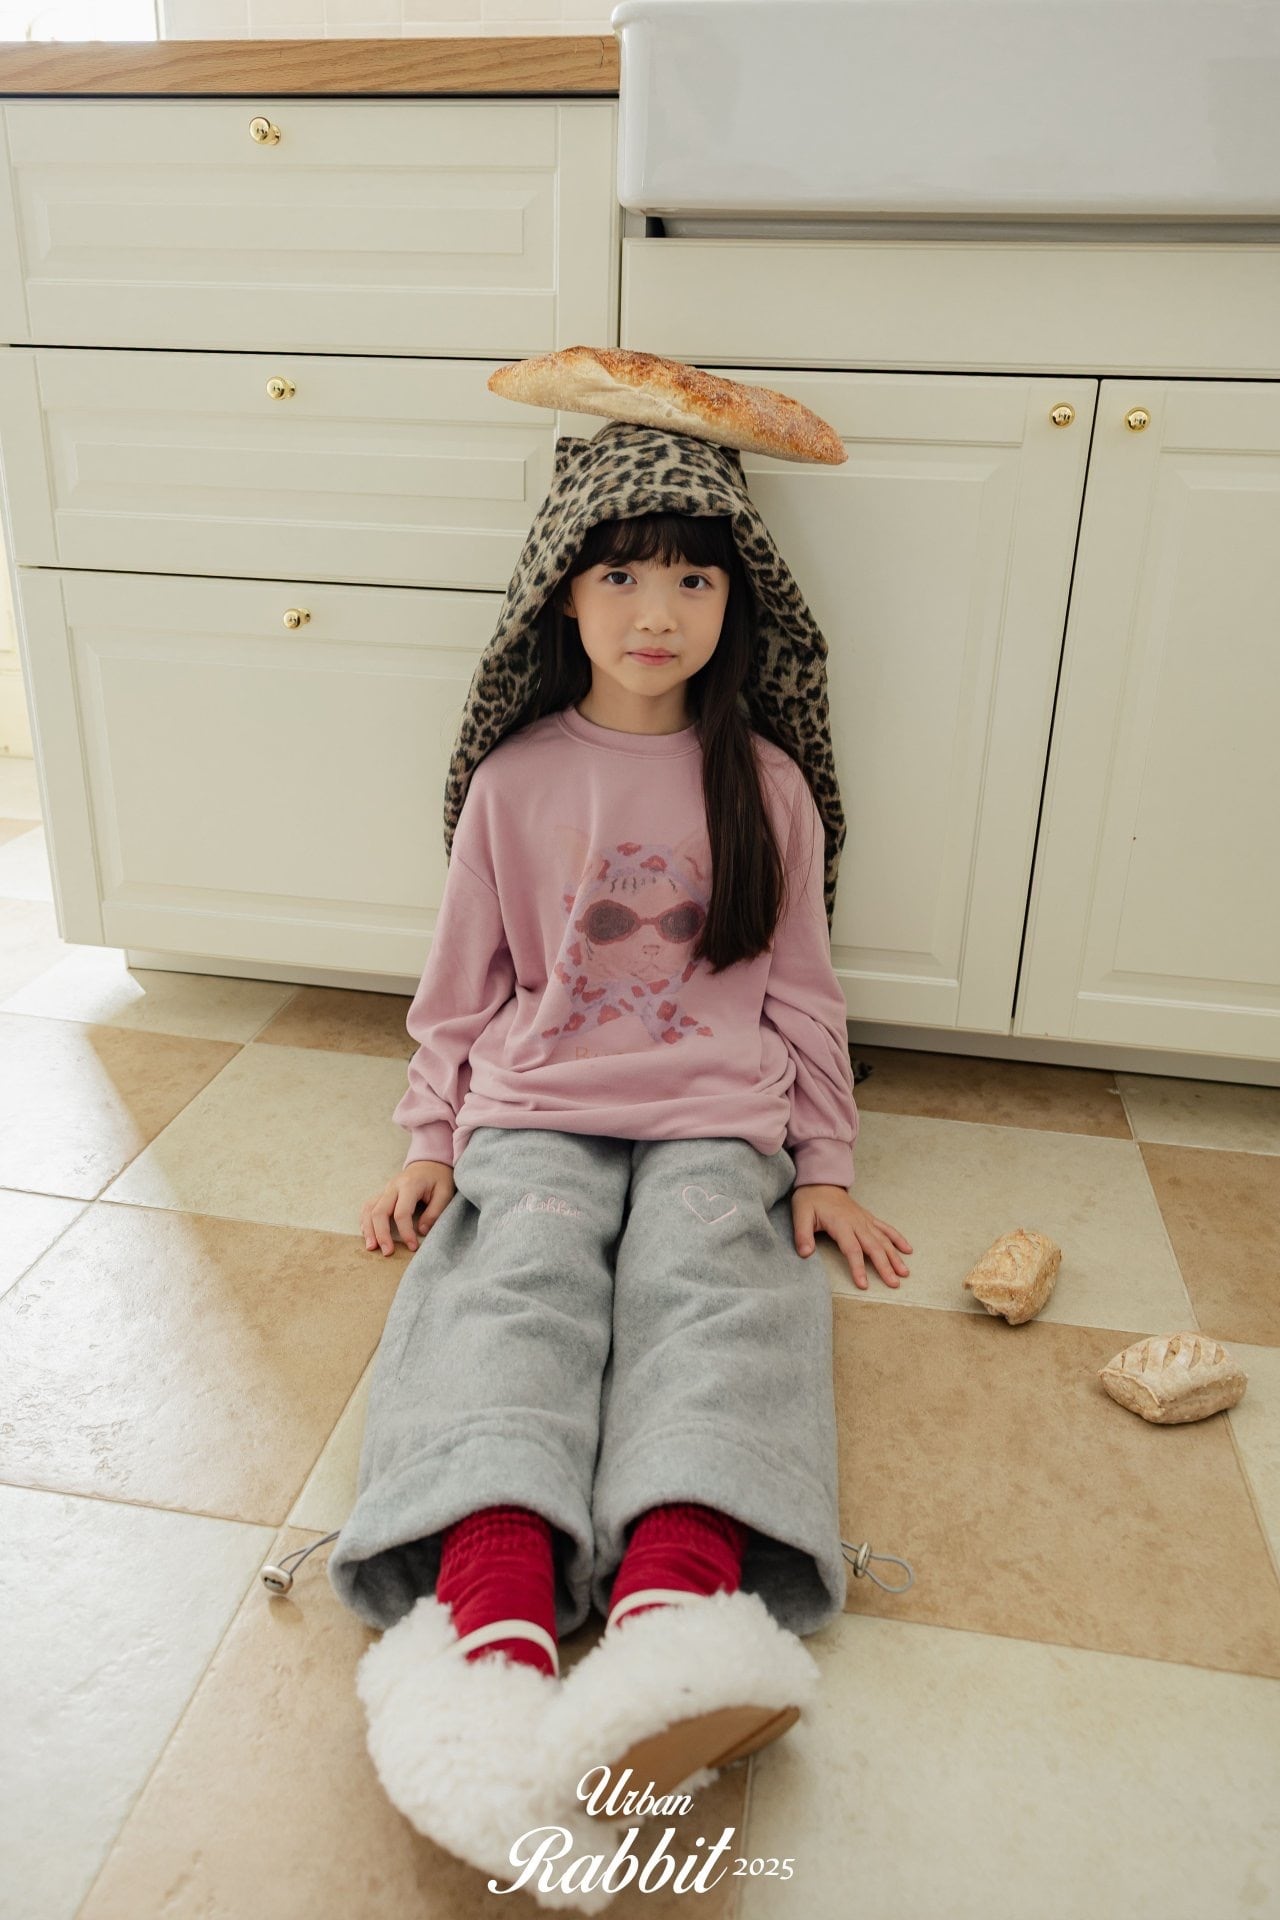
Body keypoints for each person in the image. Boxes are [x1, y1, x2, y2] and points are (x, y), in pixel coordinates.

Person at [324, 374, 913, 1898]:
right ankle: (491, 1616)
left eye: (695, 579)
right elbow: (461, 991)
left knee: (720, 1303)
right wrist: (430, 1138)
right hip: (536, 1108)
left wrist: (827, 1164)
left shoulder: (765, 784)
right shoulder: (515, 781)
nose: (659, 610)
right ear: (563, 595)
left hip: (718, 1116)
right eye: (623, 573)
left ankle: (674, 1612)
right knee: (510, 1294)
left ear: (738, 603)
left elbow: (803, 991)